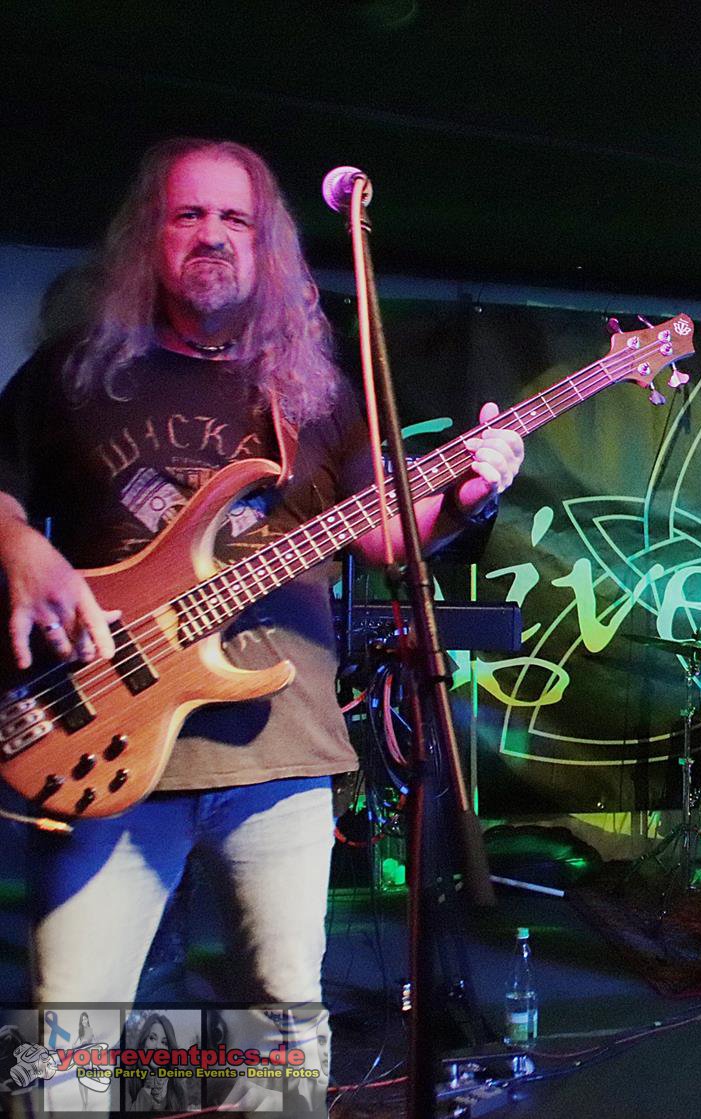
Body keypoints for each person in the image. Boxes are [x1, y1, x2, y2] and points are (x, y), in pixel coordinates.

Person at [0, 138, 524, 1109]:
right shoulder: (73, 372)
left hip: (278, 756)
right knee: (66, 1037)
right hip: (104, 742)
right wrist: (20, 545)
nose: (212, 235)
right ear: (150, 236)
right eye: (188, 215)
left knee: (281, 1039)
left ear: (266, 245)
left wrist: (469, 495)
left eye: (234, 219)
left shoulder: (311, 390)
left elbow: (385, 537)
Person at [127, 1014, 188, 1113]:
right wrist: (147, 1087)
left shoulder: (176, 1085)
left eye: (164, 1043)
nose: (158, 1046)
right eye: (152, 1038)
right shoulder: (127, 1077)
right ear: (143, 1042)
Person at [76, 1012, 96, 1112]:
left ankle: (86, 1101)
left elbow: (94, 1044)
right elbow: (74, 1044)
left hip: (87, 1058)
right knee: (80, 1081)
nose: (84, 1021)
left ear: (88, 1019)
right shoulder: (80, 1030)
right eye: (82, 1019)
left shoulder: (90, 1030)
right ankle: (83, 1102)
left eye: (85, 1019)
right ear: (81, 1021)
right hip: (80, 1057)